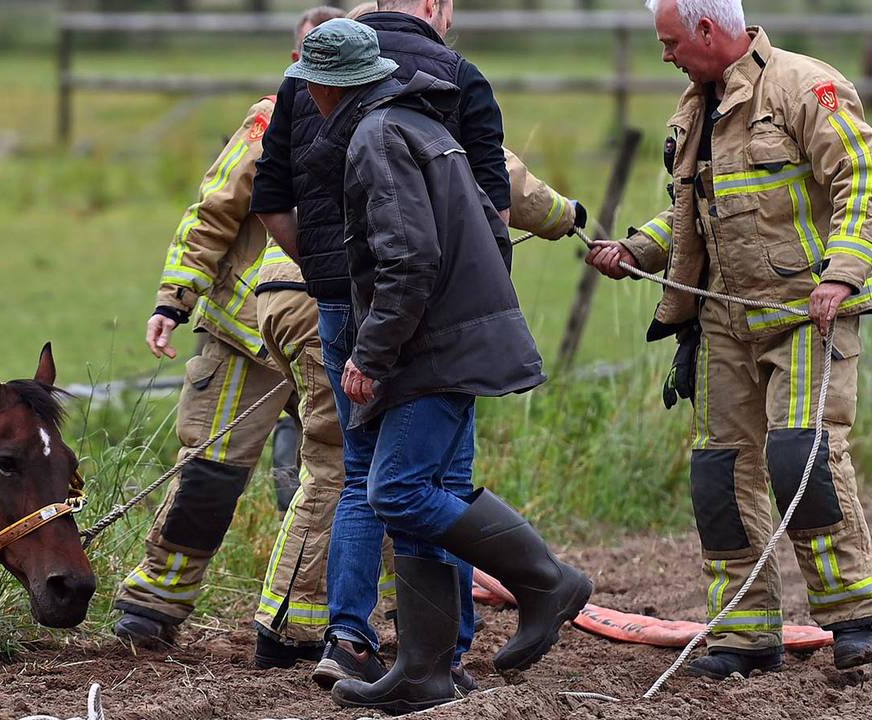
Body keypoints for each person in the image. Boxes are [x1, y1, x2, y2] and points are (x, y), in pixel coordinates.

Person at [282, 20, 593, 714]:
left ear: (329, 87)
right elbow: (483, 220)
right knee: (412, 491)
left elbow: (410, 259)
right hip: (451, 336)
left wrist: (371, 353)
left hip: (436, 346)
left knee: (393, 490)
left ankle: (547, 581)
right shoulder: (414, 122)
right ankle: (423, 671)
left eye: (311, 86)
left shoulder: (376, 139)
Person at [586, 0, 872, 679]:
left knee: (802, 459)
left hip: (807, 316)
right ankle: (744, 635)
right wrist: (637, 250)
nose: (664, 56)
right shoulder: (694, 112)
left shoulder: (806, 87)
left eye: (669, 42)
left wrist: (843, 274)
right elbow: (690, 212)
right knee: (720, 475)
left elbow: (861, 180)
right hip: (722, 326)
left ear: (707, 31)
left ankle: (855, 617)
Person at [110, 6, 347, 669]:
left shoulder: (364, 117)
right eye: (303, 56)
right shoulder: (269, 121)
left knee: (330, 478)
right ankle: (153, 604)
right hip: (245, 338)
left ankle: (317, 616)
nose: (310, 70)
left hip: (327, 331)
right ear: (291, 56)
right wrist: (173, 298)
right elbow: (213, 211)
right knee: (212, 474)